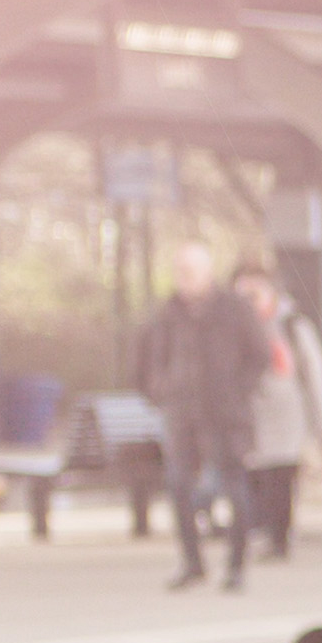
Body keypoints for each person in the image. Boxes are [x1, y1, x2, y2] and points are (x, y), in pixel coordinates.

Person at [130, 242, 259, 594]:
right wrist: (157, 391)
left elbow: (258, 356)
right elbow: (144, 357)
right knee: (178, 486)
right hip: (181, 413)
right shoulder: (165, 314)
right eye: (181, 272)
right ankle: (192, 562)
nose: (185, 279)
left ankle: (236, 566)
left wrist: (238, 392)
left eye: (192, 271)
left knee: (234, 486)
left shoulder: (234, 310)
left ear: (208, 272)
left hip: (224, 414)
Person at [234, 273, 322, 564]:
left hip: (287, 413)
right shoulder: (233, 328)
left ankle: (279, 538)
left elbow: (315, 373)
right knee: (255, 476)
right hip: (250, 413)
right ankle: (260, 534)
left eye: (254, 294)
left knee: (280, 477)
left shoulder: (292, 326)